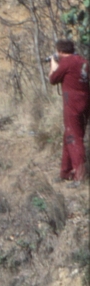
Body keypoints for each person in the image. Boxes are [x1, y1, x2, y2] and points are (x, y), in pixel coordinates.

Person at [49, 39, 89, 182]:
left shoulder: (66, 62)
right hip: (85, 103)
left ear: (60, 51)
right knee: (70, 135)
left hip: (72, 104)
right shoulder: (83, 61)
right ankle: (65, 172)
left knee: (74, 138)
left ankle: (80, 176)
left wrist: (53, 64)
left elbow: (53, 79)